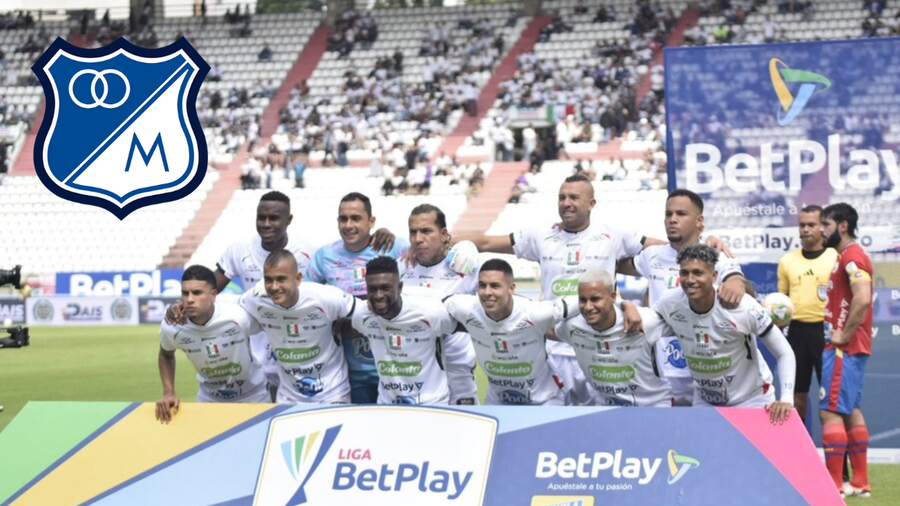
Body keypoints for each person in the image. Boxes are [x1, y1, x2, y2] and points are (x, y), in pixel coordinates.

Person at [455, 174, 658, 405]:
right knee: (554, 416)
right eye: (562, 197)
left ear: (591, 203)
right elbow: (487, 243)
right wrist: (446, 242)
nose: (566, 203)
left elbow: (665, 252)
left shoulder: (613, 236)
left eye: (574, 197)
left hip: (597, 350)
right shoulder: (541, 235)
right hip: (553, 348)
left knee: (599, 416)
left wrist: (699, 245)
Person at [167, 191, 316, 399]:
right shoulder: (240, 250)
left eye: (273, 218)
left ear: (288, 219)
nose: (266, 224)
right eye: (261, 217)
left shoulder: (307, 251)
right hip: (254, 354)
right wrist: (183, 303)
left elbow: (321, 296)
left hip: (295, 351)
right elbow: (210, 287)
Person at [617, 189, 746, 405]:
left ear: (699, 221)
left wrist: (736, 283)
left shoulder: (714, 253)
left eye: (681, 214)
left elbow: (737, 282)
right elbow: (611, 262)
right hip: (663, 371)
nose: (672, 219)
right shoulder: (652, 256)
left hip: (709, 367)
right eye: (668, 214)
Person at [653, 244, 795, 423]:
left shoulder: (743, 307)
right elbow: (645, 324)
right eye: (684, 273)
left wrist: (786, 398)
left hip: (753, 400)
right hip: (705, 403)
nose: (690, 280)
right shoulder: (669, 303)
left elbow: (784, 352)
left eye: (697, 273)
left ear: (714, 276)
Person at [306, 193, 408, 404]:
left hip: (396, 368)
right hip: (350, 371)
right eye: (343, 219)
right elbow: (307, 299)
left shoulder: (395, 247)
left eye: (356, 218)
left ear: (371, 221)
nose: (348, 225)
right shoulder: (325, 255)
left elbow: (429, 264)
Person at [348, 256, 476, 405]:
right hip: (387, 405)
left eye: (385, 288)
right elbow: (346, 326)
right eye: (372, 289)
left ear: (400, 288)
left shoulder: (430, 313)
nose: (378, 295)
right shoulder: (362, 316)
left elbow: (470, 326)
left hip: (432, 404)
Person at [444, 259, 572, 405]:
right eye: (482, 286)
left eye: (495, 286)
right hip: (497, 401)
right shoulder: (466, 308)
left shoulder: (534, 313)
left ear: (511, 288)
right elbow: (435, 301)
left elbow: (579, 304)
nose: (487, 292)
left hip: (545, 401)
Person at [240, 250, 356, 403]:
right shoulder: (255, 299)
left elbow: (367, 313)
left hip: (333, 393)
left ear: (298, 278)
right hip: (288, 397)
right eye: (268, 280)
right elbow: (231, 316)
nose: (274, 287)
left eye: (281, 279)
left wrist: (349, 325)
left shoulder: (326, 297)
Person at [156, 266, 267, 423]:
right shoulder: (172, 326)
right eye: (185, 293)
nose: (189, 299)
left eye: (197, 293)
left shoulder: (238, 315)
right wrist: (169, 392)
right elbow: (166, 354)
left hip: (254, 396)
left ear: (213, 295)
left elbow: (272, 323)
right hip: (209, 399)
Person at [819, 203, 874, 498]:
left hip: (843, 347)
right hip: (852, 347)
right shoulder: (847, 256)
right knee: (850, 410)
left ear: (842, 226)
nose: (820, 230)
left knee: (829, 412)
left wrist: (843, 334)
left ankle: (833, 486)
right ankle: (860, 483)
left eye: (825, 224)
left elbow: (862, 297)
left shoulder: (852, 256)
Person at [555, 269, 673, 407]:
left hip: (654, 404)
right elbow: (543, 328)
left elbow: (684, 325)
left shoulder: (643, 320)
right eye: (583, 300)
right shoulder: (572, 326)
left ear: (612, 297)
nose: (588, 307)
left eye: (595, 299)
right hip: (605, 407)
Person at [777, 205, 838, 425]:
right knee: (796, 397)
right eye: (802, 225)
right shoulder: (787, 261)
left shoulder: (835, 257)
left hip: (826, 332)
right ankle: (800, 446)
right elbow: (781, 302)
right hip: (797, 332)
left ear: (822, 227)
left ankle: (835, 449)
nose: (805, 229)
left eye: (811, 224)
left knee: (831, 399)